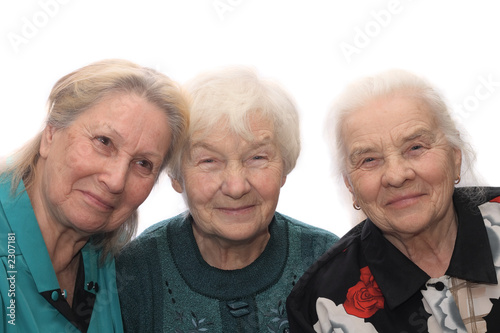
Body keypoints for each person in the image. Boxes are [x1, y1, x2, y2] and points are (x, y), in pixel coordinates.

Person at [116, 66, 339, 332]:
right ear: (176, 177)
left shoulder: (329, 262)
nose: (236, 187)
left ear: (285, 166)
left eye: (257, 158)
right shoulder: (134, 274)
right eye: (209, 160)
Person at [286, 69, 500, 332]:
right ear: (350, 186)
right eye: (369, 160)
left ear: (455, 157)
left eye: (416, 147)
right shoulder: (321, 305)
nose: (397, 176)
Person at [0, 59, 189, 332]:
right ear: (51, 134)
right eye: (104, 142)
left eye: (143, 164)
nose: (115, 181)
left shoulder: (117, 261)